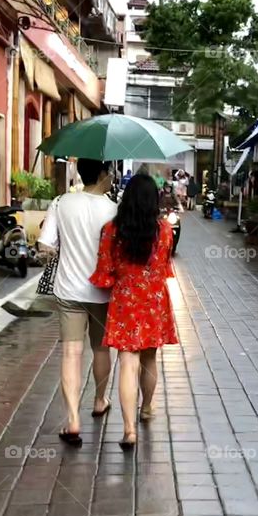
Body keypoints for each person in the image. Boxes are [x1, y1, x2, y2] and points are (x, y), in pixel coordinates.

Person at [91, 174, 178, 451]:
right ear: (154, 201)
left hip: (126, 300)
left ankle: (129, 430)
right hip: (153, 299)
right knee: (150, 358)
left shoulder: (111, 230)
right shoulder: (164, 230)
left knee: (127, 363)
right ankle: (147, 407)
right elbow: (165, 267)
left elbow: (105, 272)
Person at [38, 158, 117, 446]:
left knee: (71, 353)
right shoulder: (113, 209)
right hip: (102, 291)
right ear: (103, 174)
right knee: (100, 349)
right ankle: (99, 400)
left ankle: (72, 419)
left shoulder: (61, 202)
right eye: (109, 172)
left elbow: (45, 246)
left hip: (69, 290)